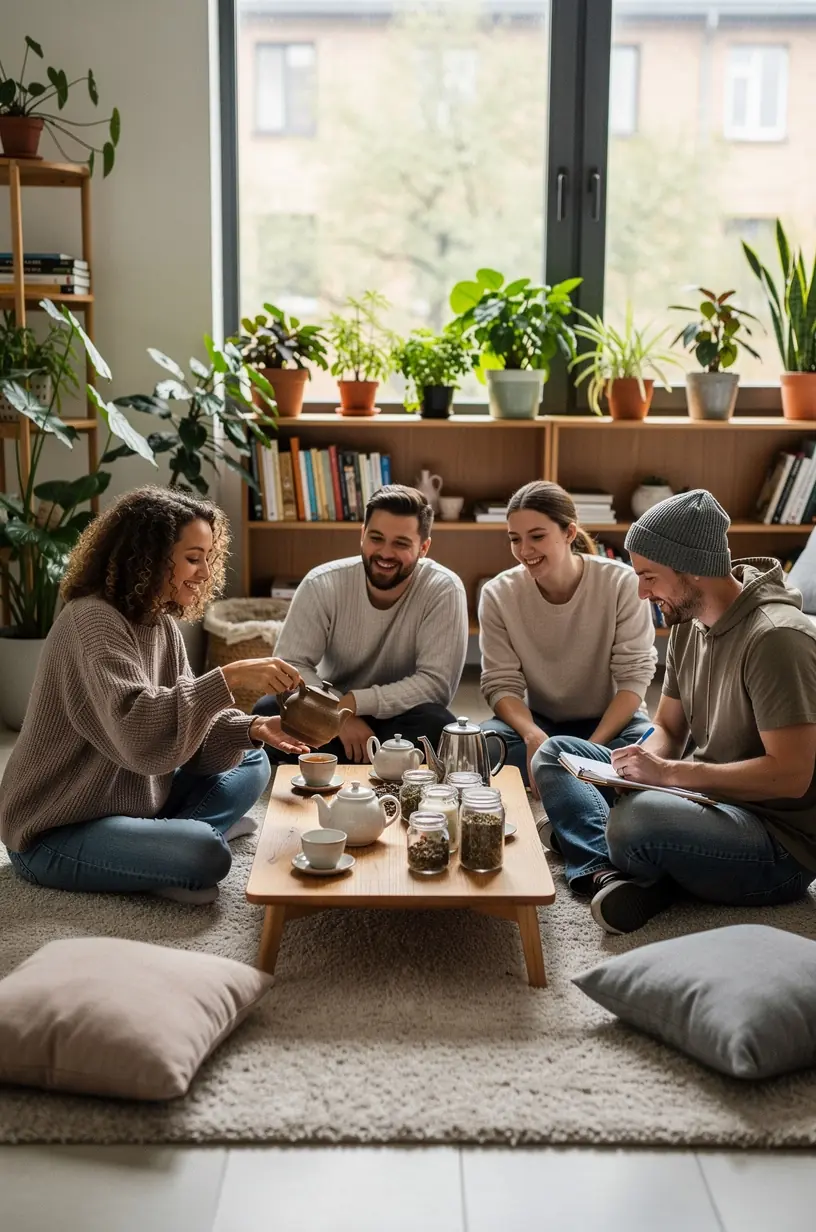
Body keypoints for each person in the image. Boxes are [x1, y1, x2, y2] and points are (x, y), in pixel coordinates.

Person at [0, 486, 310, 906]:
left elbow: (185, 729)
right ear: (148, 557)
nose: (204, 573)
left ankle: (158, 848)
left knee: (254, 756)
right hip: (57, 828)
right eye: (193, 558)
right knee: (205, 853)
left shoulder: (159, 624)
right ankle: (179, 843)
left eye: (208, 558)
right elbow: (140, 736)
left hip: (134, 802)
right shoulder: (92, 621)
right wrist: (228, 678)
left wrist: (255, 727)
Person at [533, 488, 816, 935]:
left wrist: (667, 775)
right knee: (553, 754)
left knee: (636, 822)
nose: (642, 592)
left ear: (694, 571)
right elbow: (666, 725)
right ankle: (613, 870)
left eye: (649, 576)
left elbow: (791, 774)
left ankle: (591, 844)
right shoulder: (690, 623)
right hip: (702, 798)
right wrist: (637, 767)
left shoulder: (777, 639)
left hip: (774, 843)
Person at [253, 484, 469, 764]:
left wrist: (351, 705)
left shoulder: (444, 589)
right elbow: (290, 666)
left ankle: (340, 762)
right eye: (376, 538)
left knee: (438, 723)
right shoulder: (322, 583)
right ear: (362, 535)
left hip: (400, 718)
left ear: (424, 547)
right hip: (327, 713)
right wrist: (337, 718)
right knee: (270, 709)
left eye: (401, 543)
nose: (385, 553)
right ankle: (377, 763)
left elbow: (435, 684)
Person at [478, 481, 656, 792]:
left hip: (610, 723)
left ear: (569, 533)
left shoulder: (622, 583)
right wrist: (533, 736)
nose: (524, 550)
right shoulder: (498, 593)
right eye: (515, 539)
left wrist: (588, 749)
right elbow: (500, 683)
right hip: (541, 724)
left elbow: (634, 679)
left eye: (537, 536)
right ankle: (586, 784)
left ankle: (561, 784)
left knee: (649, 748)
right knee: (484, 745)